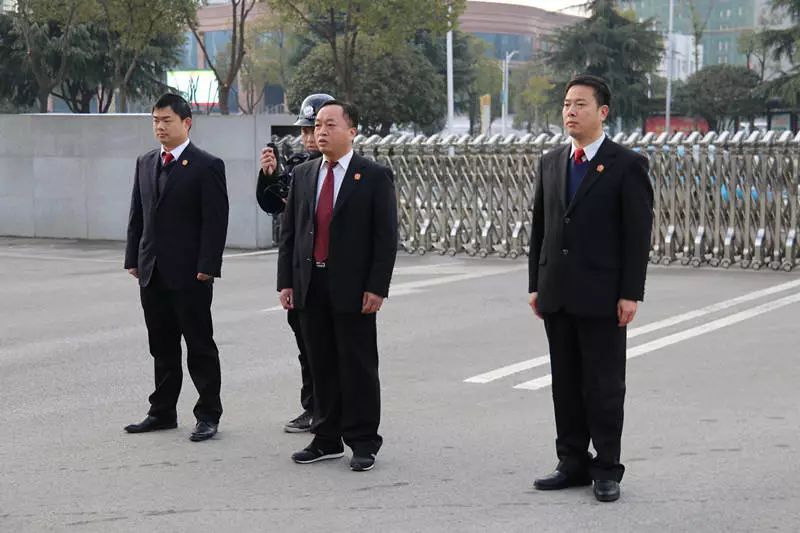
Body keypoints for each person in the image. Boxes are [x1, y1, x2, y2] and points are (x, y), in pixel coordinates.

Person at [527, 75, 653, 502]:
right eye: (566, 104)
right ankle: (572, 462)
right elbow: (540, 228)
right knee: (564, 382)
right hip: (557, 292)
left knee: (603, 385)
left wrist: (629, 293)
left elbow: (637, 236)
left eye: (580, 104)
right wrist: (535, 284)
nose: (570, 111)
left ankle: (607, 468)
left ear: (603, 112)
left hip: (602, 295)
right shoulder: (552, 161)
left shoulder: (626, 164)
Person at [277, 100, 398, 472]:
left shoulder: (373, 176)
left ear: (352, 131)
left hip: (354, 286)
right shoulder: (304, 174)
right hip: (311, 282)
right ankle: (325, 437)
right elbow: (291, 232)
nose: (320, 131)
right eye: (317, 126)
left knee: (358, 365)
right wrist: (286, 281)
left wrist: (376, 287)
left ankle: (363, 440)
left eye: (330, 124)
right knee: (321, 363)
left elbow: (385, 237)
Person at [123, 93, 229, 442]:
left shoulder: (206, 165)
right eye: (155, 120)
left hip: (190, 274)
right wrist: (133, 258)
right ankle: (162, 411)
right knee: (162, 346)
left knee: (199, 345)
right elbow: (138, 215)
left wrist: (208, 266)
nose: (159, 127)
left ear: (186, 123)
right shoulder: (146, 162)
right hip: (152, 270)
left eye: (166, 121)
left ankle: (208, 414)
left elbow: (215, 221)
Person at [256, 93, 334, 433]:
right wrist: (270, 176)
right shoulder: (300, 170)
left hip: (334, 275)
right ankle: (314, 408)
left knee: (337, 350)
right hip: (302, 276)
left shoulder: (349, 170)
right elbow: (275, 208)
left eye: (315, 128)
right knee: (307, 348)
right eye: (305, 131)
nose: (309, 138)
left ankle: (337, 411)